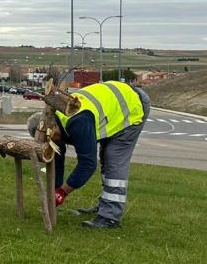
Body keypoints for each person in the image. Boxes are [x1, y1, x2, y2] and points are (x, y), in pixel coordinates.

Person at [27, 80, 151, 229]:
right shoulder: (55, 120)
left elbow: (87, 164)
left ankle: (110, 217)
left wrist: (62, 192)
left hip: (131, 106)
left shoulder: (78, 120)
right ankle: (105, 205)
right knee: (105, 156)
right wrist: (54, 191)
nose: (53, 142)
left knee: (113, 158)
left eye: (50, 139)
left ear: (51, 128)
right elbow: (57, 158)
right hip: (112, 107)